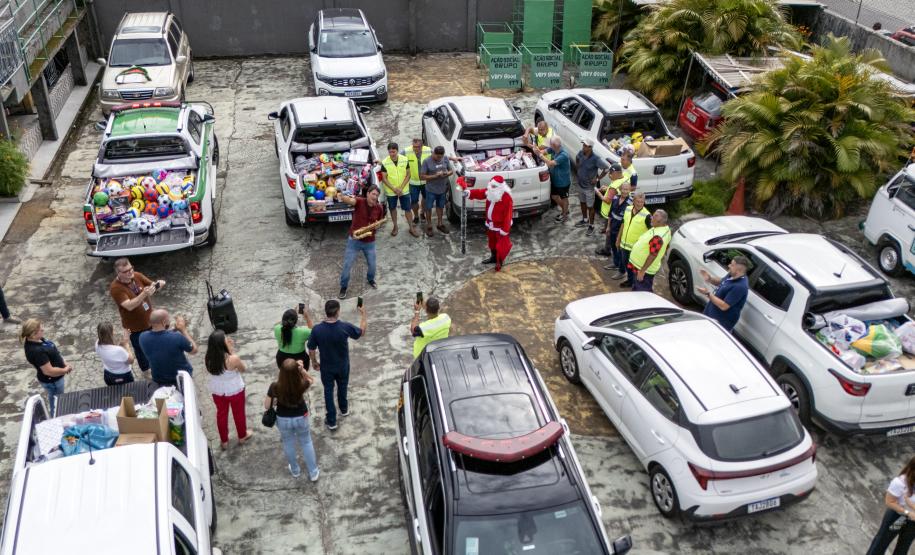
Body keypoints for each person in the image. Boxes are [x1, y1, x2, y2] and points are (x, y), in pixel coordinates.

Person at [308, 299, 366, 430]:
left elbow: (311, 348)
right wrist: (363, 314)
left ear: (326, 312)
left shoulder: (317, 330)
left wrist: (314, 362)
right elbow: (362, 332)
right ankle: (344, 409)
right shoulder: (345, 327)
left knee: (328, 391)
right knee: (342, 386)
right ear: (338, 312)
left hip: (327, 367)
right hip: (343, 365)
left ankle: (332, 420)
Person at [265, 359, 320, 480]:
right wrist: (303, 371)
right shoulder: (301, 384)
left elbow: (267, 406)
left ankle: (295, 470)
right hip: (301, 416)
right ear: (296, 371)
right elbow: (311, 380)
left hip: (283, 418)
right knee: (306, 442)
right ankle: (313, 472)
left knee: (288, 442)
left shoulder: (274, 386)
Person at [109, 258, 164, 376]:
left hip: (150, 321)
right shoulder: (115, 288)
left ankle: (157, 363)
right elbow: (129, 306)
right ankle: (146, 371)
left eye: (131, 268)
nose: (130, 272)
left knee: (155, 344)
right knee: (141, 350)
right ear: (118, 273)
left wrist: (158, 285)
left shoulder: (137, 275)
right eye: (126, 271)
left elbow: (151, 285)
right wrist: (144, 294)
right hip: (134, 327)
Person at [205, 330, 254, 450]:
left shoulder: (208, 358)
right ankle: (242, 436)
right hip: (235, 389)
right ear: (223, 344)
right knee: (238, 413)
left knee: (221, 414)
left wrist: (229, 350)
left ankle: (224, 441)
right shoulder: (233, 359)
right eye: (226, 340)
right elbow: (243, 369)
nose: (229, 340)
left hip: (218, 390)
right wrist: (231, 351)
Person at [336, 184, 384, 299]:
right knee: (347, 265)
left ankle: (371, 279)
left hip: (369, 241)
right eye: (373, 194)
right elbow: (350, 201)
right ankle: (343, 287)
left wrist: (377, 226)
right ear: (367, 194)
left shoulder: (379, 208)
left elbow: (380, 222)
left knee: (372, 265)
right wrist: (342, 196)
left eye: (377, 195)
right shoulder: (359, 201)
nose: (374, 197)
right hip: (354, 241)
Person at [20, 319, 71, 415]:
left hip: (55, 378)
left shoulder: (37, 339)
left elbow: (54, 352)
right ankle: (56, 417)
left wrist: (63, 362)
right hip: (53, 381)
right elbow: (49, 371)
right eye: (40, 329)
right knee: (57, 402)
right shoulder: (37, 351)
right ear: (33, 334)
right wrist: (65, 370)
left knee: (56, 398)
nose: (43, 329)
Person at [866, 456, 915, 555]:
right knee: (881, 543)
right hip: (898, 518)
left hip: (913, 523)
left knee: (903, 547)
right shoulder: (900, 483)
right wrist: (907, 512)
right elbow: (889, 502)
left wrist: (910, 505)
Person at [463, 175, 514, 271]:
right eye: (491, 186)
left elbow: (508, 216)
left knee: (500, 246)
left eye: (494, 187)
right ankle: (493, 257)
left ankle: (499, 261)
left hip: (500, 227)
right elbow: (480, 193)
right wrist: (469, 193)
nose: (491, 188)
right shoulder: (491, 191)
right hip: (491, 224)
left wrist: (504, 230)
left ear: (500, 187)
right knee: (492, 243)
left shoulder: (506, 198)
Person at [139, 309, 198, 387]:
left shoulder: (142, 337)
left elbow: (161, 338)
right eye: (168, 320)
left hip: (158, 378)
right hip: (180, 378)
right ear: (164, 322)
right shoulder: (177, 337)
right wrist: (183, 330)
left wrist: (173, 331)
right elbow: (194, 350)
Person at [698, 256, 750, 332]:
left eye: (732, 265)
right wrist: (710, 278)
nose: (729, 265)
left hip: (719, 325)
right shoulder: (732, 275)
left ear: (738, 271)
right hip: (710, 316)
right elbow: (722, 282)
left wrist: (708, 294)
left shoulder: (740, 287)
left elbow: (724, 306)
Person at [627, 209, 672, 292]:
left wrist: (642, 271)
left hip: (644, 270)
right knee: (641, 288)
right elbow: (666, 246)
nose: (651, 218)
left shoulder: (658, 237)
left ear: (660, 221)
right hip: (642, 266)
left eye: (654, 217)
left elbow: (653, 255)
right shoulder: (665, 229)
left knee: (641, 292)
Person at [380, 142, 417, 237]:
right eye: (390, 152)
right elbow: (384, 178)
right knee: (392, 209)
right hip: (391, 191)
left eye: (394, 151)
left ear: (397, 150)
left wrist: (400, 188)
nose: (392, 154)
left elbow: (408, 174)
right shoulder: (385, 162)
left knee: (408, 209)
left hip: (404, 190)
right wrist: (394, 189)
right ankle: (395, 226)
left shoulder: (404, 160)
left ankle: (411, 228)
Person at [614, 192, 651, 285]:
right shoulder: (627, 209)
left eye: (642, 202)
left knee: (634, 267)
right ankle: (630, 281)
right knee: (626, 263)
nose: (639, 204)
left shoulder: (647, 216)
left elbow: (651, 233)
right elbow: (623, 224)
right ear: (633, 201)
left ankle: (634, 282)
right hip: (624, 245)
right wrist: (618, 239)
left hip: (636, 248)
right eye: (638, 201)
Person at [573, 139, 608, 236]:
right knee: (582, 203)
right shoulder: (581, 153)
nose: (583, 147)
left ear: (590, 148)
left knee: (590, 207)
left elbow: (606, 168)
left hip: (589, 188)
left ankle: (591, 225)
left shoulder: (596, 159)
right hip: (580, 184)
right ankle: (585, 220)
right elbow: (577, 157)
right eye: (583, 145)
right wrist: (578, 166)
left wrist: (597, 179)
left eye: (585, 146)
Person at [419, 146, 454, 236]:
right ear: (433, 153)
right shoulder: (427, 161)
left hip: (442, 189)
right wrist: (435, 176)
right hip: (431, 190)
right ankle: (429, 225)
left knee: (440, 206)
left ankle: (440, 223)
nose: (439, 159)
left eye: (440, 157)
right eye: (437, 157)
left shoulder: (445, 158)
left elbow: (451, 171)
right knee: (428, 207)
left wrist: (446, 173)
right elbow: (422, 176)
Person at [597, 182, 632, 272]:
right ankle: (616, 263)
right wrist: (608, 227)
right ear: (620, 189)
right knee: (613, 246)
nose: (625, 191)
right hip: (612, 227)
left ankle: (621, 267)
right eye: (623, 189)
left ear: (630, 190)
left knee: (620, 249)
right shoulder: (615, 198)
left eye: (627, 189)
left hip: (621, 230)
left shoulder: (630, 203)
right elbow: (610, 214)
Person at [541, 137, 571, 222]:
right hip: (555, 180)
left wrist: (540, 155)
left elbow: (551, 164)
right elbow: (544, 151)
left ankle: (564, 215)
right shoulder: (554, 148)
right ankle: (565, 210)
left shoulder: (563, 155)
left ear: (554, 145)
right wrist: (538, 151)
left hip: (563, 182)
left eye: (550, 144)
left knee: (564, 199)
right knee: (554, 196)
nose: (549, 146)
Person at [406, 138, 432, 227]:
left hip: (426, 181)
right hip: (413, 182)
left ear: (422, 146)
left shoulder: (428, 150)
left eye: (417, 147)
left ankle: (422, 213)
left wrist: (453, 158)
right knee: (413, 201)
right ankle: (416, 216)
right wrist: (381, 162)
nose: (415, 149)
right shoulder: (407, 151)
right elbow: (395, 157)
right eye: (414, 147)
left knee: (425, 198)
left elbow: (440, 156)